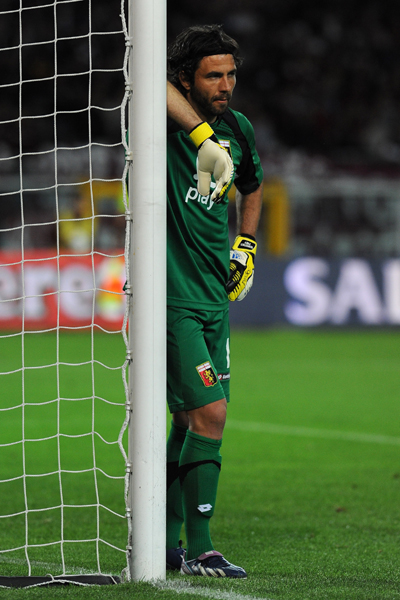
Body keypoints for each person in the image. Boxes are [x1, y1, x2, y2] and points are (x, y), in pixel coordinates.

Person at [165, 24, 263, 579]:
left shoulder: (239, 129)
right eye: (212, 76)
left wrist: (245, 244)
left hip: (213, 299)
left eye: (231, 74)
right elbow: (147, 82)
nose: (225, 86)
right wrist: (201, 134)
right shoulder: (162, 121)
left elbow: (252, 186)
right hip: (171, 297)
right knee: (211, 413)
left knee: (188, 420)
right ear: (186, 78)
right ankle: (202, 550)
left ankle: (167, 542)